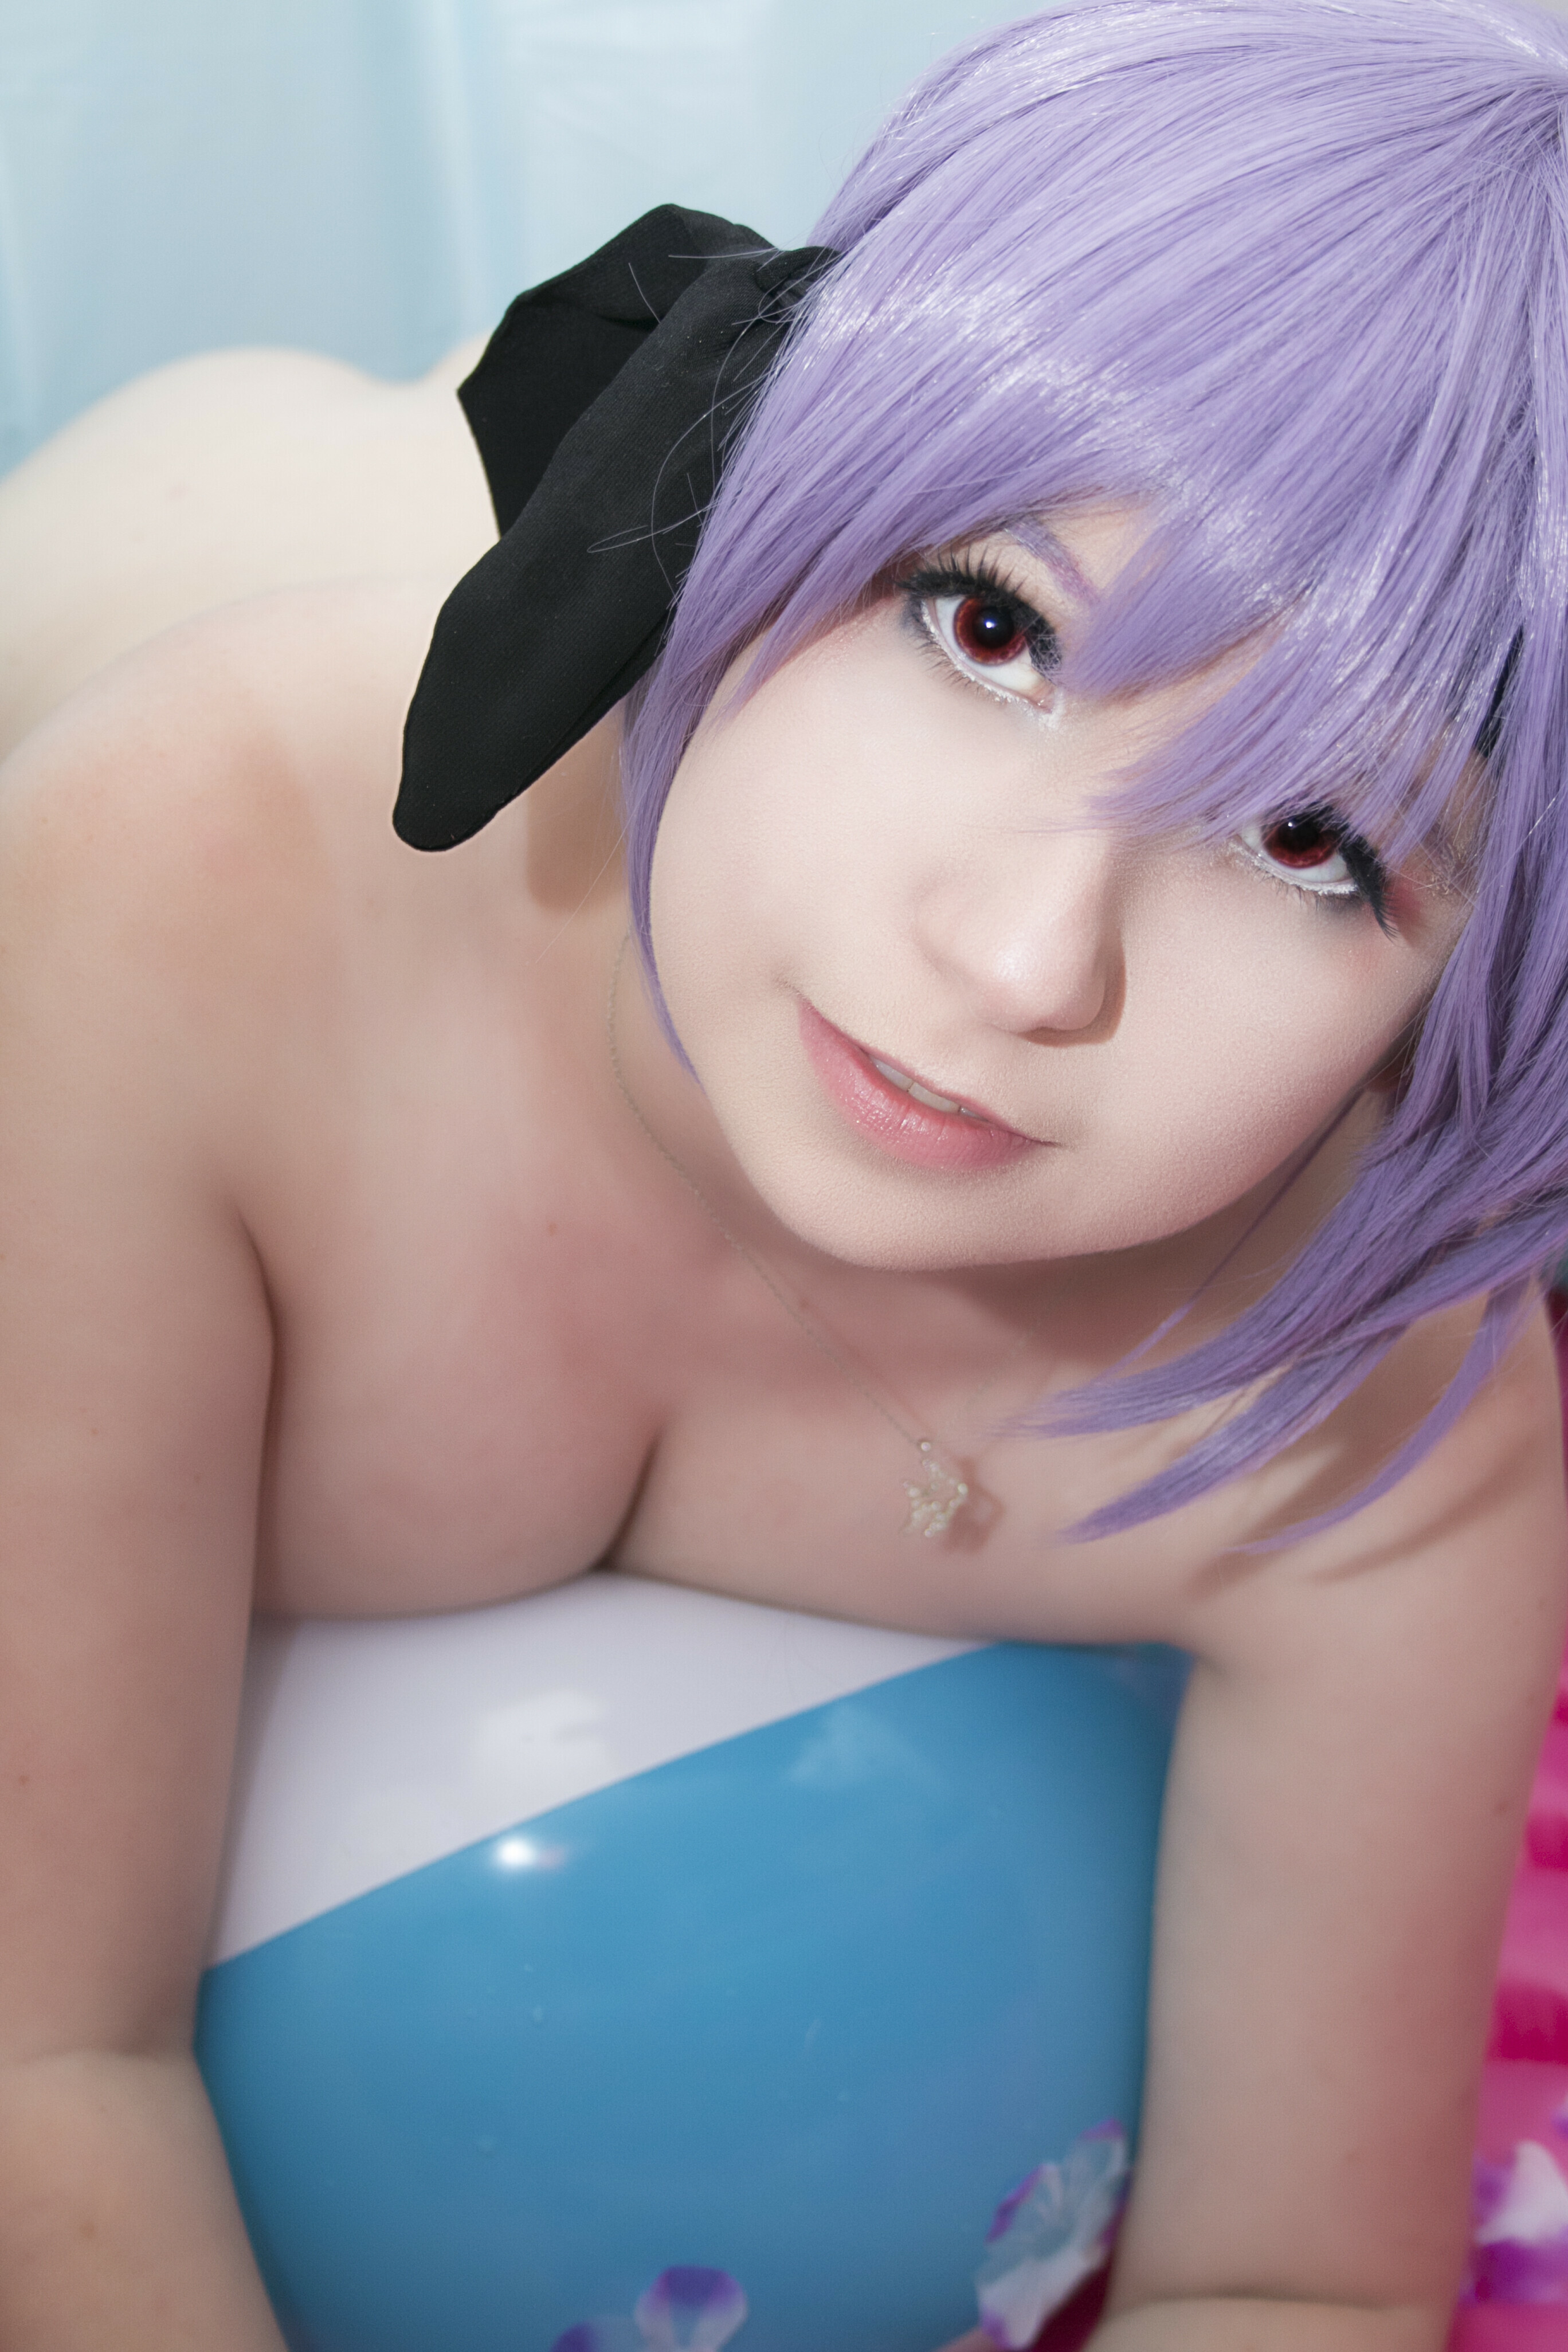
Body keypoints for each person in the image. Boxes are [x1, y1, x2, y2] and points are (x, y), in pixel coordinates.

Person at [2, 1, 1566, 2346]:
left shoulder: (1385, 1419)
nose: (1023, 962)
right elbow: (34, 2053)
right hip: (197, 571)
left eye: (1312, 838)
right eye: (990, 625)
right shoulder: (176, 894)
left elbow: (1284, 2285)